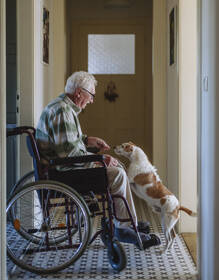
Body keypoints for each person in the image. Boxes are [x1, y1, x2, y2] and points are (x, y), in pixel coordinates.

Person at [36, 71, 160, 249]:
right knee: (117, 173)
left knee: (118, 168)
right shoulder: (63, 111)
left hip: (61, 168)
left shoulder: (63, 107)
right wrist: (99, 158)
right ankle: (123, 227)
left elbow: (67, 142)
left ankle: (124, 221)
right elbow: (69, 156)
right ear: (79, 92)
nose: (92, 100)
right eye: (91, 95)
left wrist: (86, 140)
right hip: (63, 173)